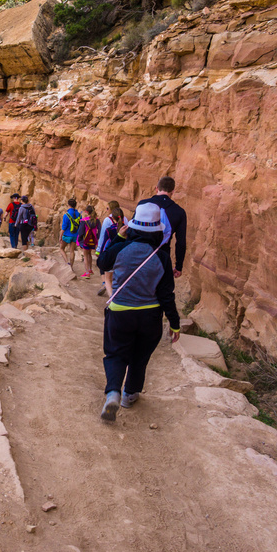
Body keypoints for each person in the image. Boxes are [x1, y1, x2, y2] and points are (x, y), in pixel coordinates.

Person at [100, 202, 181, 421]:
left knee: (116, 354)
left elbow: (102, 262)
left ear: (133, 227)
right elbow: (166, 295)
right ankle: (129, 394)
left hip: (120, 312)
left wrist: (118, 237)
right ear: (157, 232)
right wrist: (174, 323)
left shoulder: (119, 249)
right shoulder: (162, 258)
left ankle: (113, 392)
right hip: (150, 316)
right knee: (140, 357)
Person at [138, 176, 187, 279]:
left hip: (140, 254)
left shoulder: (142, 204)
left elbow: (133, 230)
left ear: (156, 188)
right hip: (162, 256)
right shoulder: (179, 212)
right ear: (172, 191)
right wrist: (178, 266)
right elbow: (181, 242)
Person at [97, 202, 125, 295]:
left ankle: (111, 299)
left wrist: (100, 252)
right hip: (124, 255)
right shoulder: (127, 227)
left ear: (113, 217)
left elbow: (104, 240)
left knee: (108, 279)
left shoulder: (109, 228)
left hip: (111, 254)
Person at [76, 205, 101, 278]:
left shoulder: (84, 221)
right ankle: (90, 269)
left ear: (86, 212)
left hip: (85, 240)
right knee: (89, 253)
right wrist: (96, 237)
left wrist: (79, 240)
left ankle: (87, 273)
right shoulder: (97, 220)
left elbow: (81, 232)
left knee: (85, 255)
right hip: (93, 240)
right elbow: (100, 231)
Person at [59, 199, 81, 268]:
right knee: (72, 251)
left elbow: (64, 227)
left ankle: (66, 262)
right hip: (75, 235)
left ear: (68, 205)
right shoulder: (79, 215)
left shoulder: (66, 215)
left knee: (61, 248)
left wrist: (60, 236)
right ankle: (71, 266)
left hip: (67, 235)